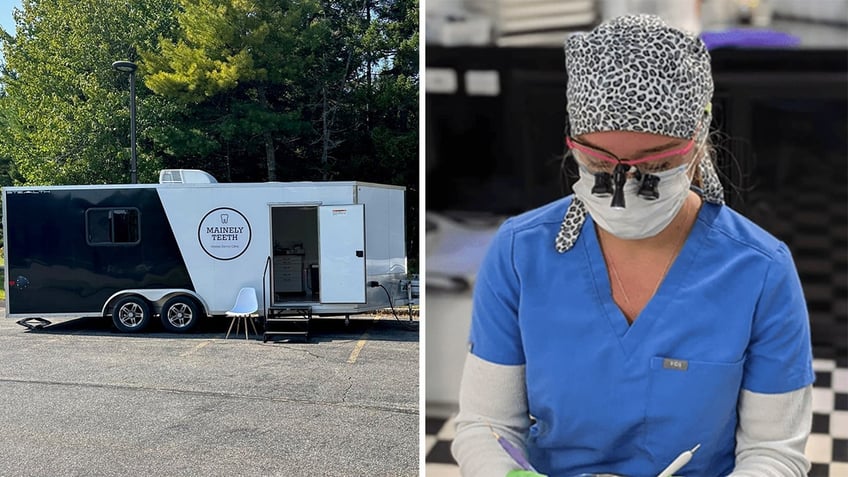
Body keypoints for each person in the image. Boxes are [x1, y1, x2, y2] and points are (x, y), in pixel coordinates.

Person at [450, 13, 815, 477]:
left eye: (653, 165)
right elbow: (486, 426)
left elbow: (774, 452)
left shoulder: (759, 271)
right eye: (600, 162)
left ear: (697, 144)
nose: (622, 185)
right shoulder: (521, 254)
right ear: (573, 143)